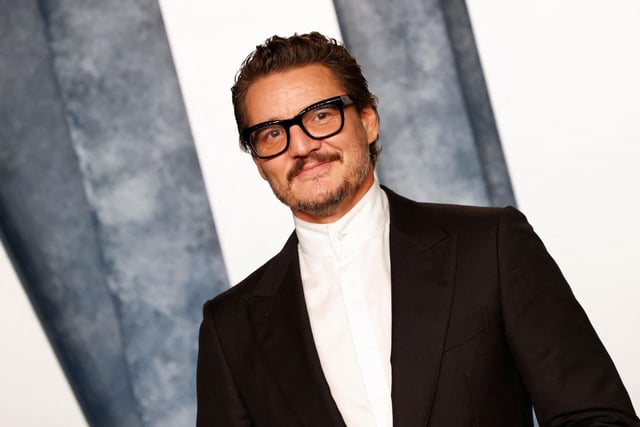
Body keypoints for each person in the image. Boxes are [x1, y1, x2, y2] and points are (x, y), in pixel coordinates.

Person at [196, 32, 639, 427]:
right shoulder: (231, 328)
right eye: (273, 133)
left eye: (320, 116)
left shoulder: (491, 246)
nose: (302, 146)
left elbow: (596, 416)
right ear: (258, 161)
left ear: (367, 121)